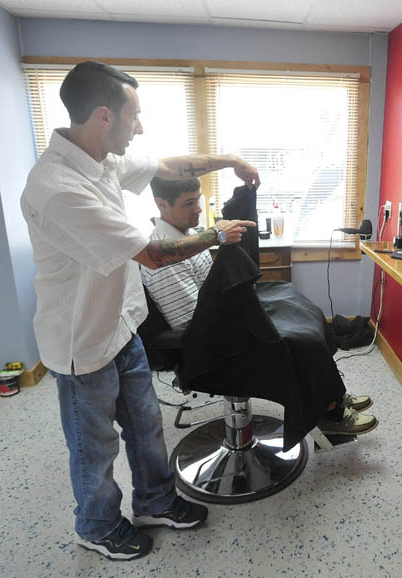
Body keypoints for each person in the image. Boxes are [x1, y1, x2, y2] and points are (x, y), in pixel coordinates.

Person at [20, 61, 258, 562]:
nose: (141, 126)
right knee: (95, 445)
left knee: (147, 425)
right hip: (83, 341)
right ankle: (98, 524)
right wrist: (219, 233)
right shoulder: (59, 188)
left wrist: (229, 159)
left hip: (123, 324)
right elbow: (153, 253)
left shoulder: (100, 158)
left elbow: (167, 167)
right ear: (104, 116)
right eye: (136, 116)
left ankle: (155, 500)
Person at [141, 177, 378, 436]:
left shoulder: (192, 238)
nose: (198, 208)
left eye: (198, 199)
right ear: (161, 204)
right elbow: (193, 322)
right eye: (189, 203)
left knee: (299, 308)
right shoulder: (165, 257)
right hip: (207, 346)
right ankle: (329, 413)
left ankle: (333, 394)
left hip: (216, 320)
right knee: (300, 341)